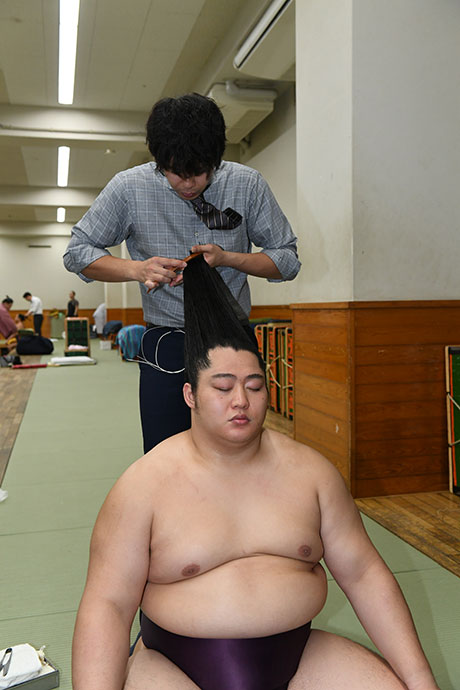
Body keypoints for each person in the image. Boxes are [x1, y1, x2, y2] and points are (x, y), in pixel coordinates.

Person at [72, 257, 438, 690]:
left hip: (299, 656)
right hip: (173, 665)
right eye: (223, 388)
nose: (241, 401)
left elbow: (364, 575)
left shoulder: (312, 473)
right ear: (190, 394)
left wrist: (420, 681)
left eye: (255, 386)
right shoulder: (142, 486)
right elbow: (108, 605)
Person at [63, 92, 301, 453]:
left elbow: (287, 261)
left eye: (200, 173)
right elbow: (77, 252)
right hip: (166, 342)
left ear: (216, 160)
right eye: (176, 173)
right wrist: (136, 268)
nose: (188, 184)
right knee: (163, 453)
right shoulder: (130, 188)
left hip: (232, 339)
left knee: (238, 452)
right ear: (160, 161)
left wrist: (228, 258)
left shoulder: (247, 184)